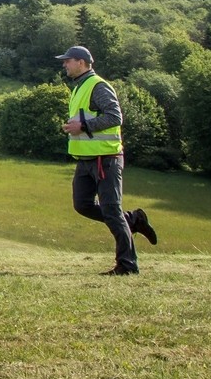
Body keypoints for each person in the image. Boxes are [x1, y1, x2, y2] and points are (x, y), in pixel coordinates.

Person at [56, 45, 157, 275]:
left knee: (111, 209)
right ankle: (132, 220)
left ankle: (127, 266)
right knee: (82, 205)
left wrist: (83, 126)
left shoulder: (98, 86)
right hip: (86, 159)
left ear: (81, 62)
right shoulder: (79, 87)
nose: (64, 64)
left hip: (106, 158)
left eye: (68, 60)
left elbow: (115, 117)